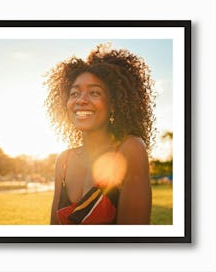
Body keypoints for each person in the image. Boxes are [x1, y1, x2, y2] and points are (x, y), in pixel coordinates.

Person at [44, 43, 156, 225]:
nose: (81, 100)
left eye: (94, 92)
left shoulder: (130, 149)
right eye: (75, 93)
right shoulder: (63, 162)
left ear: (114, 104)